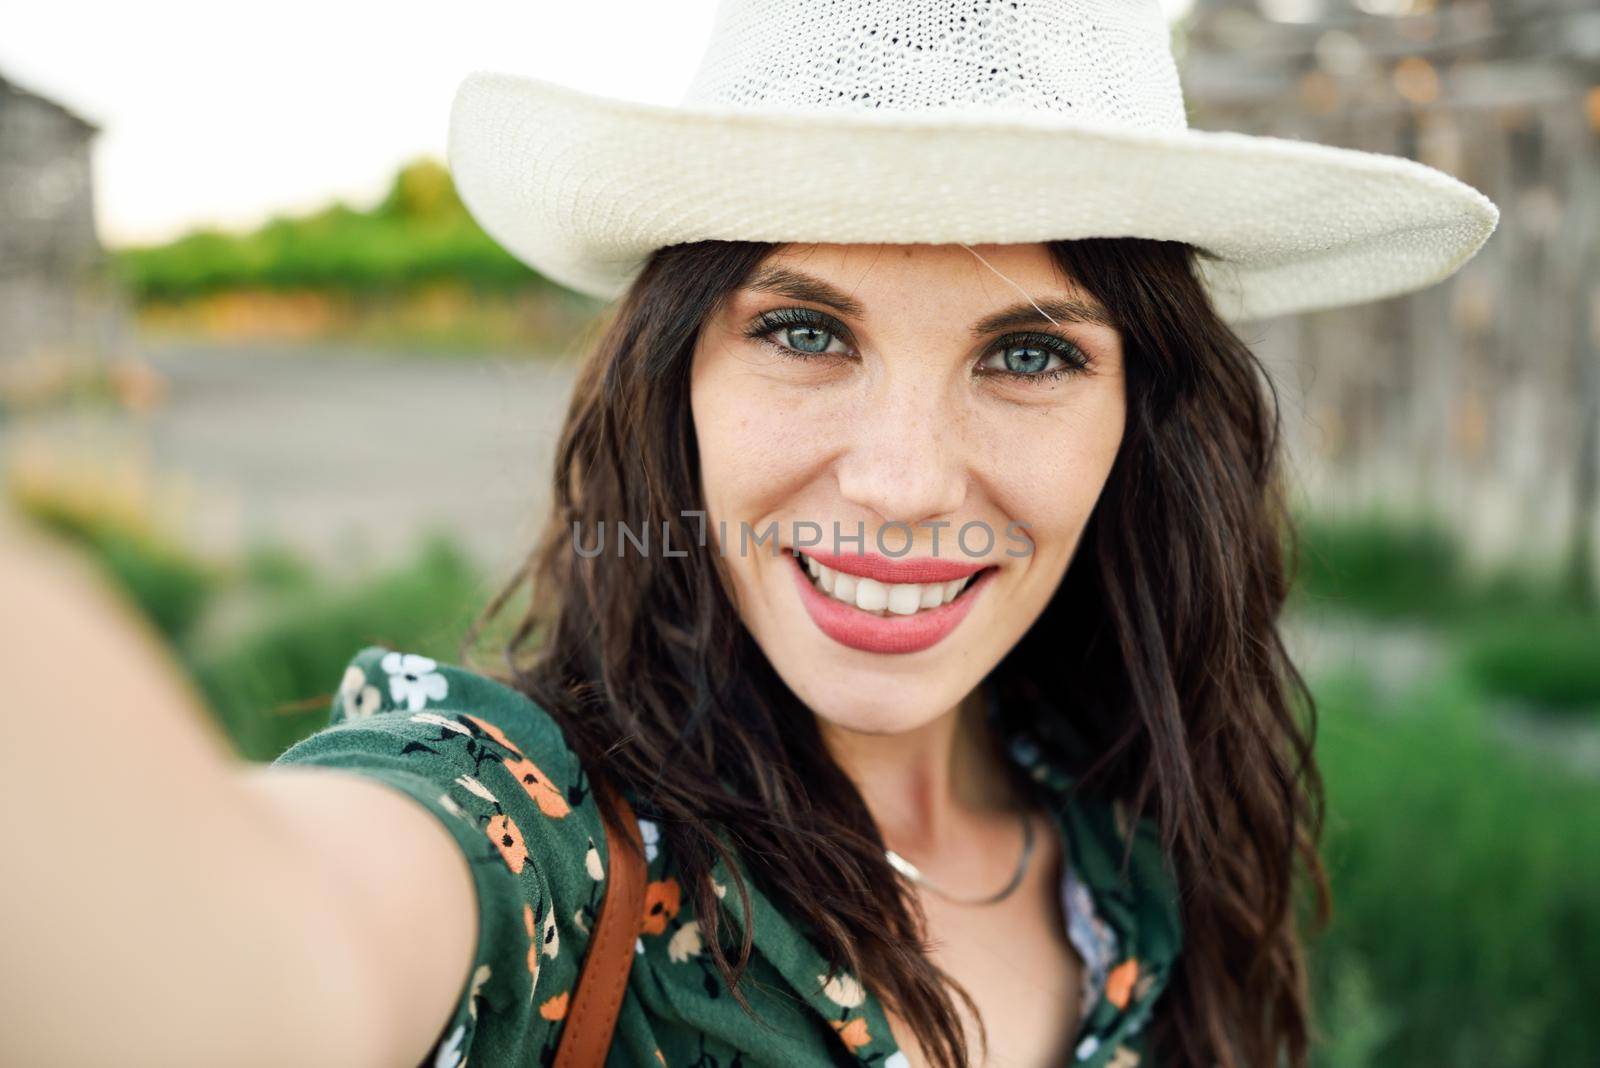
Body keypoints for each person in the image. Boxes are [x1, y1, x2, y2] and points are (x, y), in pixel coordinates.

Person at [0, 2, 1498, 1067]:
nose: (906, 480)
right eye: (801, 329)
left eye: (1030, 354)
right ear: (679, 382)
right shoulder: (541, 851)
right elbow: (254, 957)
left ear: (1142, 418)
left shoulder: (1136, 848)